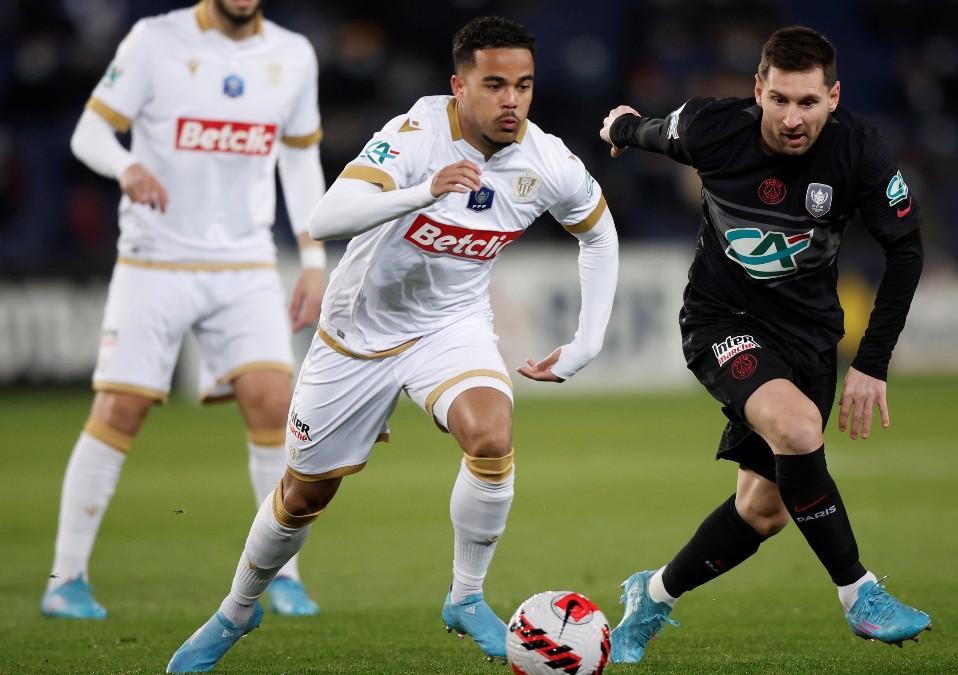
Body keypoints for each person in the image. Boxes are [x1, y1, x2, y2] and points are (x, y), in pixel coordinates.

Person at [166, 15, 619, 672]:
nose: (511, 100)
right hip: (357, 334)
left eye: (523, 84)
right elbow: (324, 219)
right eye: (494, 84)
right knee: (303, 496)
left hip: (450, 325)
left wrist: (587, 339)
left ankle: (465, 596)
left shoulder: (545, 159)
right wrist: (421, 191)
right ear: (458, 87)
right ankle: (238, 608)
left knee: (492, 434)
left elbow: (599, 234)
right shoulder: (413, 135)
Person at [598, 25, 931, 662]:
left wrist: (871, 363)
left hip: (807, 337)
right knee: (799, 428)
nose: (792, 117)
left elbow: (906, 251)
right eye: (779, 99)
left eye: (808, 102)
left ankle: (654, 595)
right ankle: (859, 592)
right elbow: (648, 131)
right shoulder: (711, 129)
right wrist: (621, 126)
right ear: (758, 89)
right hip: (720, 319)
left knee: (764, 509)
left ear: (834, 97)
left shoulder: (859, 152)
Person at [42, 0, 327, 620]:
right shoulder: (154, 40)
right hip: (155, 257)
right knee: (121, 406)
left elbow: (299, 158)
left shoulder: (292, 54)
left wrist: (313, 256)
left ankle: (283, 576)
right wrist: (126, 165)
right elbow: (89, 131)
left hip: (246, 260)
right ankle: (65, 580)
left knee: (276, 403)